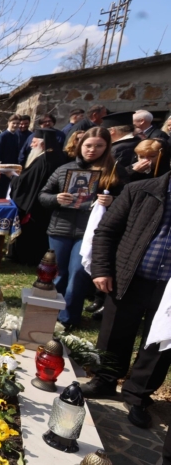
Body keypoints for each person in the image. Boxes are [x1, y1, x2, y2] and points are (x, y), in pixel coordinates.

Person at [84, 170, 171, 434]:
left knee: (159, 344)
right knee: (115, 332)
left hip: (168, 289)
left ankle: (137, 396)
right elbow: (106, 231)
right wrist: (101, 269)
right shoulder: (139, 190)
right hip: (130, 278)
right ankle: (105, 380)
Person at [38, 127, 123, 330]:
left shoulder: (114, 172)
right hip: (60, 228)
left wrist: (113, 200)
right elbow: (43, 195)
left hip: (91, 232)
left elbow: (128, 200)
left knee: (78, 273)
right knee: (56, 273)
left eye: (99, 146)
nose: (92, 150)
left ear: (107, 147)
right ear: (79, 145)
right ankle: (46, 313)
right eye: (88, 145)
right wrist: (56, 198)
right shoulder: (64, 169)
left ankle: (68, 318)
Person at [10, 128, 65, 265]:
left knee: (32, 233)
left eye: (34, 142)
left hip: (35, 205)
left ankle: (26, 258)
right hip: (46, 204)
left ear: (43, 144)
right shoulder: (56, 158)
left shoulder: (41, 160)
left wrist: (12, 177)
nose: (31, 145)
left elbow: (26, 182)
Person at [0, 114, 22, 199]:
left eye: (17, 123)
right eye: (13, 123)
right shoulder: (2, 136)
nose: (15, 125)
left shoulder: (16, 136)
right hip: (1, 172)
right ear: (8, 123)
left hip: (10, 171)